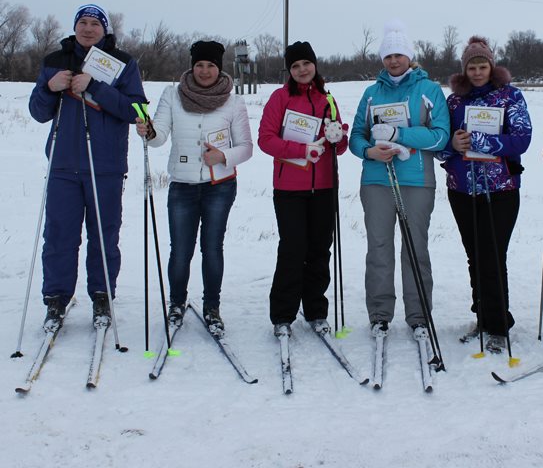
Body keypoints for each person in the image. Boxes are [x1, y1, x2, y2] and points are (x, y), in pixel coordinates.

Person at [29, 3, 146, 327]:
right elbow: (39, 112)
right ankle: (56, 299)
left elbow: (137, 110)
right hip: (64, 166)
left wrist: (94, 87)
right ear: (75, 26)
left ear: (105, 29)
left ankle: (102, 296)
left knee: (104, 235)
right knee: (59, 236)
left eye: (95, 23)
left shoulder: (122, 63)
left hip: (105, 165)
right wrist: (48, 88)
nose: (88, 28)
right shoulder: (55, 62)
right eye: (83, 22)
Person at [135, 40, 252, 336]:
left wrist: (223, 156)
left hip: (220, 186)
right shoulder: (172, 95)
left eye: (210, 65)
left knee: (212, 249)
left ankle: (212, 307)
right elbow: (159, 136)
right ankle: (176, 303)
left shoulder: (234, 102)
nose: (204, 70)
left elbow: (246, 148)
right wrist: (148, 131)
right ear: (192, 65)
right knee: (180, 250)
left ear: (219, 68)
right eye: (199, 64)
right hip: (183, 186)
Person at [349, 21, 449, 338]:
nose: (393, 61)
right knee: (378, 247)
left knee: (414, 247)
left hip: (416, 180)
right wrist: (369, 152)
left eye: (399, 55)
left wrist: (400, 135)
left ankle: (419, 314)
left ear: (409, 56)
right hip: (377, 180)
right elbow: (356, 137)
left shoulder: (429, 90)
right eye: (388, 56)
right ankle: (380, 313)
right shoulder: (371, 93)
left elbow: (441, 137)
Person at [438, 36, 531, 353]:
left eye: (482, 66)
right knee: (475, 255)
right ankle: (483, 315)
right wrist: (454, 146)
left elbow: (521, 139)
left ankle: (499, 324)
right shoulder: (453, 102)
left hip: (500, 188)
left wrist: (480, 141)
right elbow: (440, 144)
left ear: (492, 66)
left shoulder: (509, 96)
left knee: (492, 254)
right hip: (463, 189)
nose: (477, 72)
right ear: (464, 70)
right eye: (472, 67)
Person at [257, 41, 349, 338]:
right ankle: (283, 314)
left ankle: (316, 311)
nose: (302, 70)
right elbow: (266, 139)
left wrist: (338, 138)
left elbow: (340, 146)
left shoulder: (327, 99)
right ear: (290, 70)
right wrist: (301, 149)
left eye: (306, 64)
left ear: (314, 64)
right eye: (295, 66)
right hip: (289, 188)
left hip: (323, 186)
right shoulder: (280, 97)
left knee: (320, 249)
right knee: (293, 249)